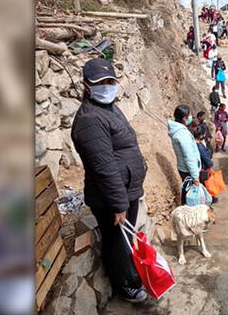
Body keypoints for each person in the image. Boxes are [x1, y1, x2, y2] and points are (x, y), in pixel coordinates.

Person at [71, 58, 148, 303]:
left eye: (110, 81)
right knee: (117, 244)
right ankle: (125, 285)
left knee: (124, 240)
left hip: (126, 190)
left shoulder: (108, 108)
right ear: (86, 85)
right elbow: (103, 167)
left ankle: (129, 276)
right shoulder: (89, 120)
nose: (107, 86)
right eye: (100, 82)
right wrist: (118, 204)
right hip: (112, 198)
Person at [168, 105, 202, 205]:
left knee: (187, 191)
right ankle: (188, 212)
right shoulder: (182, 134)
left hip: (184, 168)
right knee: (190, 194)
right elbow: (189, 156)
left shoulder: (178, 130)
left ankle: (185, 208)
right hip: (188, 169)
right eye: (189, 115)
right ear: (184, 118)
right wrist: (195, 176)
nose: (191, 117)